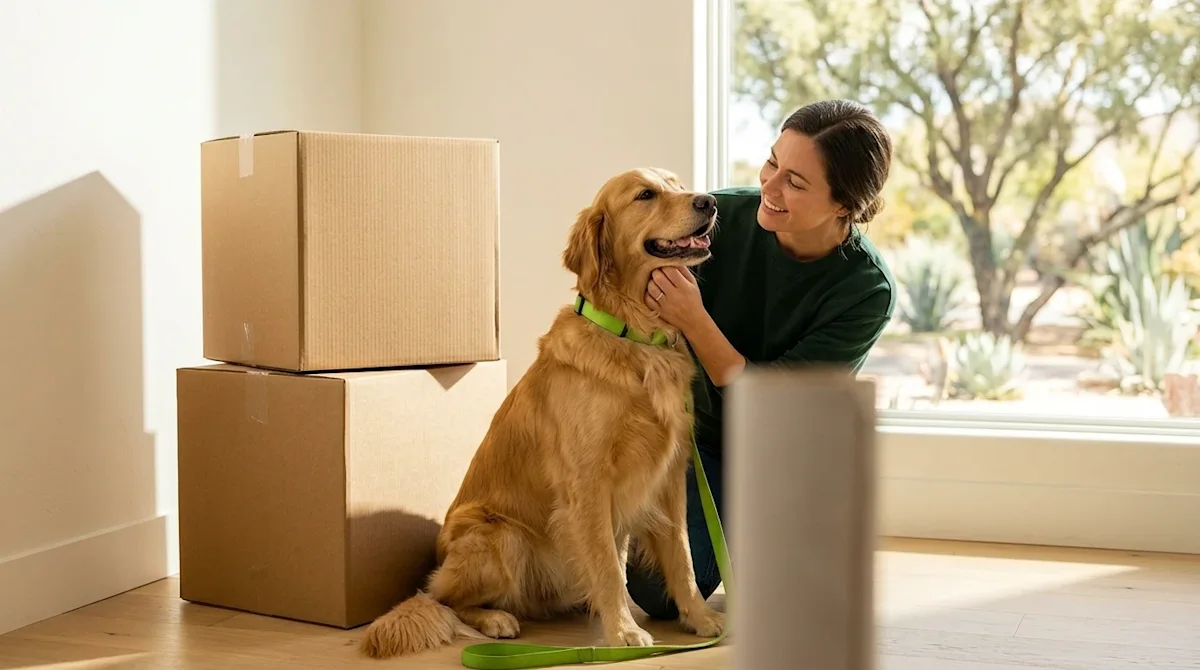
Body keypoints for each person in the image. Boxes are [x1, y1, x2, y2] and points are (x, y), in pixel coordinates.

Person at [625, 98, 897, 620]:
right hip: (691, 437)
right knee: (655, 588)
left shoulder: (865, 291)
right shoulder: (713, 218)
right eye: (772, 162)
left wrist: (694, 318)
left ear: (845, 204)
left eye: (796, 182)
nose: (769, 188)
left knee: (684, 592)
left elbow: (771, 399)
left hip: (774, 454)